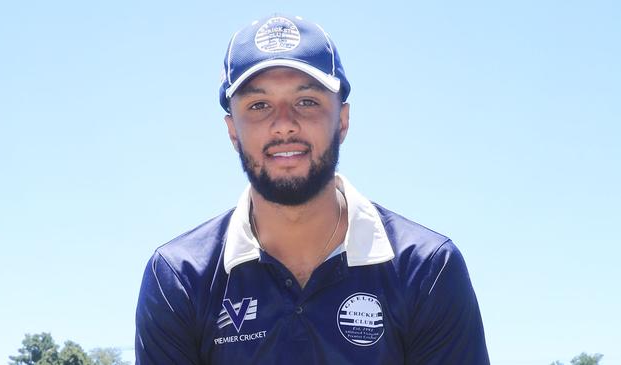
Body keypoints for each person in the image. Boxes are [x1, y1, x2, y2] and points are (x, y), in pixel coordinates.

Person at [135, 14, 489, 364]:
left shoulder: (427, 268)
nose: (284, 124)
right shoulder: (179, 278)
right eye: (259, 105)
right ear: (232, 131)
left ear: (343, 120)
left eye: (307, 101)